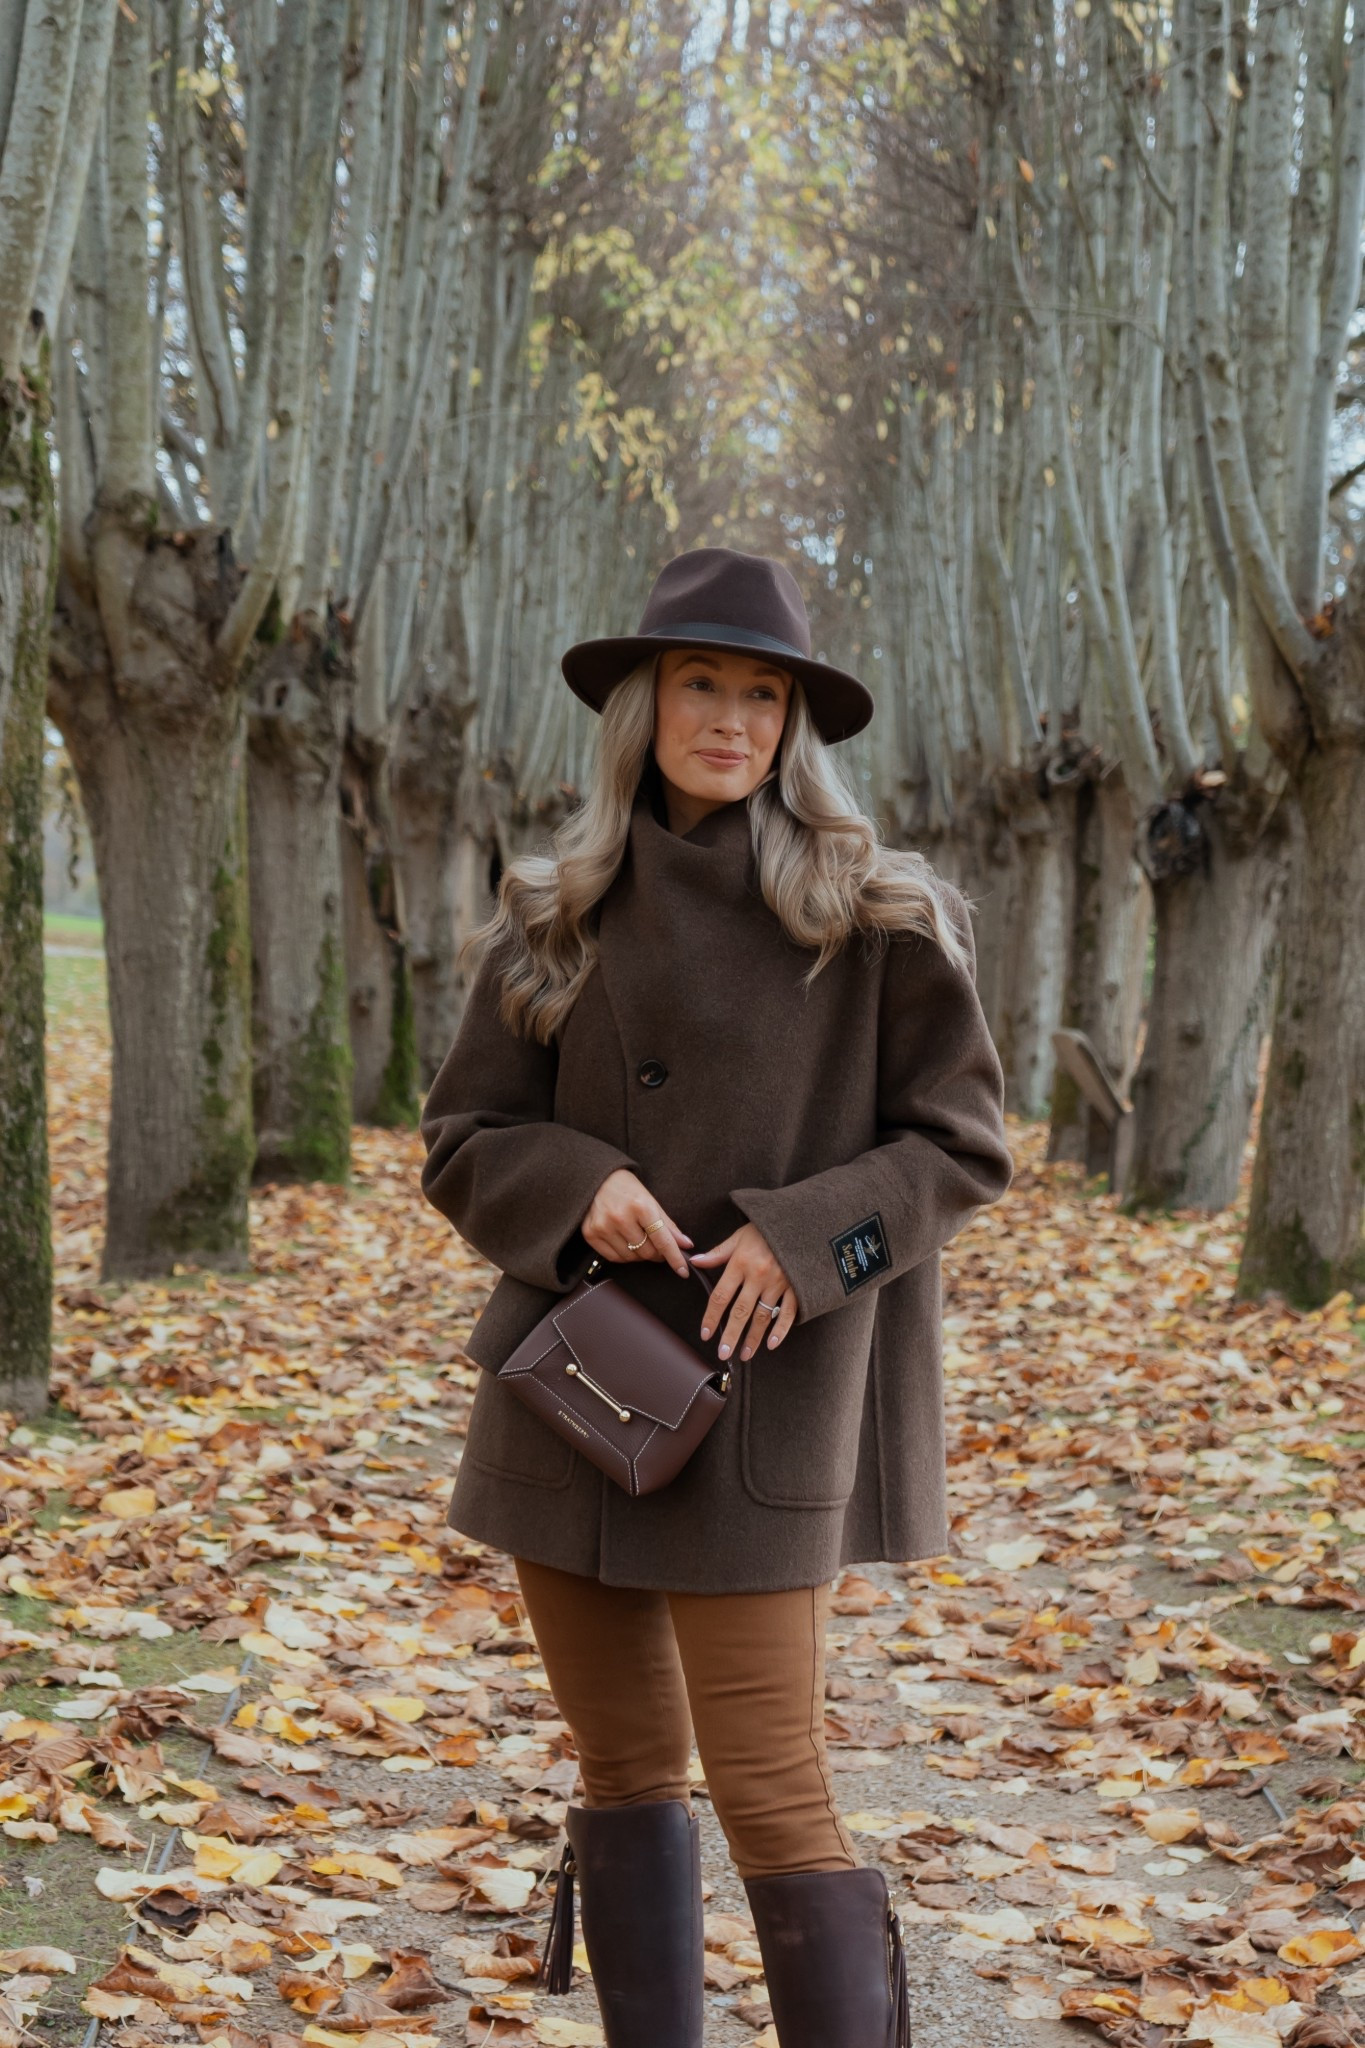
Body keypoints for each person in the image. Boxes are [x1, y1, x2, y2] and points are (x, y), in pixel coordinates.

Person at [419, 546, 1013, 2048]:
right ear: (645, 704)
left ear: (793, 725)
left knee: (772, 1792)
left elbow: (961, 1152)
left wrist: (807, 1245)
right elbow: (460, 1142)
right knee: (622, 1776)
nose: (733, 718)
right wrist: (572, 1187)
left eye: (763, 694)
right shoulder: (554, 913)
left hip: (766, 1402)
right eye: (703, 684)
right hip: (573, 1391)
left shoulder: (874, 919)